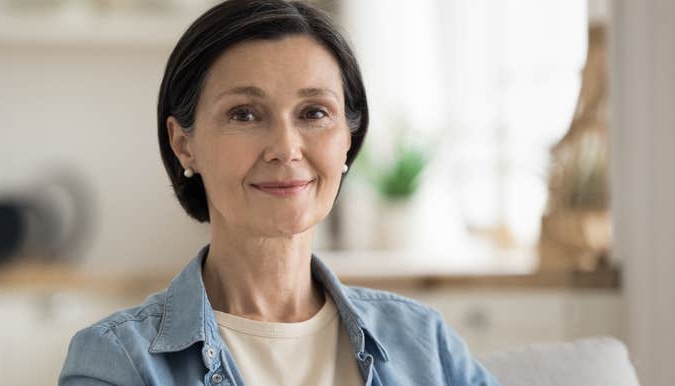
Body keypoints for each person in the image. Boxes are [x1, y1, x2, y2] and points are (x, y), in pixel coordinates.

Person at [59, 1, 501, 385]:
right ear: (183, 144)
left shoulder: (423, 340)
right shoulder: (117, 361)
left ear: (349, 138)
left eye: (314, 112)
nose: (286, 148)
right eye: (245, 114)